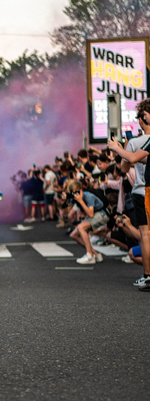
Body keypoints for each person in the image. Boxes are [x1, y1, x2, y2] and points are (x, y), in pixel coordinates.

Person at [107, 101, 150, 288]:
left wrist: (119, 149)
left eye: (140, 117)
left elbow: (125, 166)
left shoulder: (136, 142)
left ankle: (148, 275)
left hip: (142, 191)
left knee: (145, 234)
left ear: (143, 119)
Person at [67, 180, 110, 265]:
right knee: (74, 235)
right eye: (73, 193)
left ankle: (89, 255)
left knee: (81, 227)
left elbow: (90, 214)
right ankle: (96, 255)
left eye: (76, 192)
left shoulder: (88, 196)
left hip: (103, 214)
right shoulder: (79, 198)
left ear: (81, 190)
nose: (75, 194)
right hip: (96, 214)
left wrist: (80, 201)